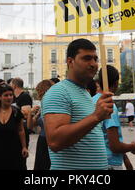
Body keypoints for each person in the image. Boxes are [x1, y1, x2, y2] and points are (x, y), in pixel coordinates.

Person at [42, 38, 113, 170]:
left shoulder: (84, 93)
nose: (93, 64)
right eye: (87, 58)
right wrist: (96, 116)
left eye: (95, 59)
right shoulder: (59, 92)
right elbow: (55, 141)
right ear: (70, 61)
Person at [93, 65, 135, 170]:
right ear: (115, 83)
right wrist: (133, 146)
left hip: (97, 161)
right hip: (111, 164)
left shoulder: (91, 101)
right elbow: (114, 146)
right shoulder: (109, 105)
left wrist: (125, 158)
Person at [27, 79, 53, 170]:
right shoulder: (42, 106)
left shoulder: (53, 104)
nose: (38, 95)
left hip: (51, 140)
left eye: (39, 92)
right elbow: (30, 126)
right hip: (43, 141)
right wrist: (30, 113)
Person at [11, 77, 33, 149]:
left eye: (10, 85)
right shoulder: (13, 97)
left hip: (22, 130)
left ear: (14, 86)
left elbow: (26, 114)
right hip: (13, 130)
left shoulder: (25, 96)